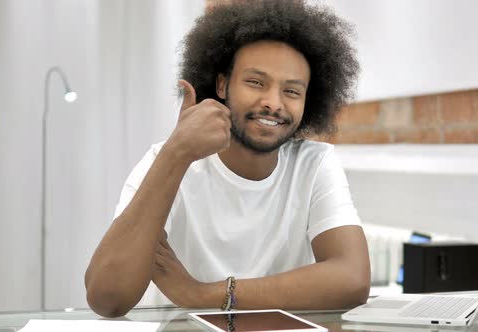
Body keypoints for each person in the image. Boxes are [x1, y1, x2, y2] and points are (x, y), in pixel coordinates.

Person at [85, 0, 370, 318]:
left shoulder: (314, 163)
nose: (273, 103)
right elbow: (108, 298)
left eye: (291, 91)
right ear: (222, 84)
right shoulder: (168, 159)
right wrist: (177, 153)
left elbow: (353, 279)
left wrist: (201, 294)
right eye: (255, 82)